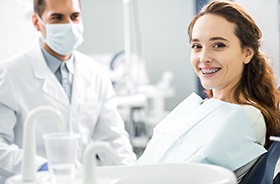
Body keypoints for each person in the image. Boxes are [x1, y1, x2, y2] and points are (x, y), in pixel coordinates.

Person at [137, 0, 280, 182]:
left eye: (218, 45)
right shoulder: (203, 108)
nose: (204, 58)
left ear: (247, 53)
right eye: (197, 46)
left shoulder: (245, 118)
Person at [0, 0, 136, 180]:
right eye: (57, 18)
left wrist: (131, 174)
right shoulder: (10, 73)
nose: (69, 26)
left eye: (74, 16)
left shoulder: (96, 73)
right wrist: (41, 167)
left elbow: (113, 138)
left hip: (80, 179)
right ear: (36, 22)